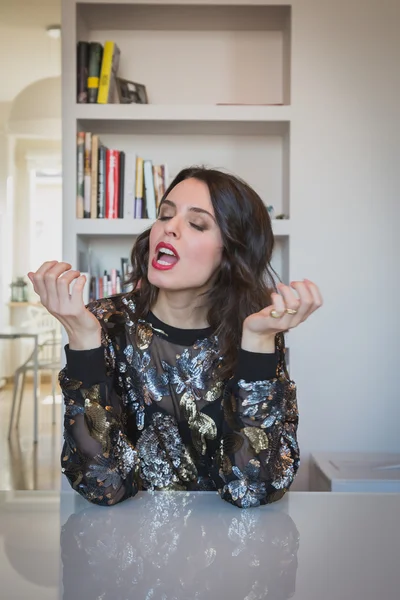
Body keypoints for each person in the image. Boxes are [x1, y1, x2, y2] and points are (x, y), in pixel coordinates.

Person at [28, 166, 323, 509]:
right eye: (165, 215)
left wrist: (258, 343)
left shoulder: (254, 331)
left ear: (231, 252)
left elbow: (253, 488)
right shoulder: (102, 324)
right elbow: (101, 485)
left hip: (228, 554)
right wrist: (81, 338)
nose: (169, 227)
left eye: (197, 223)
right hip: (126, 548)